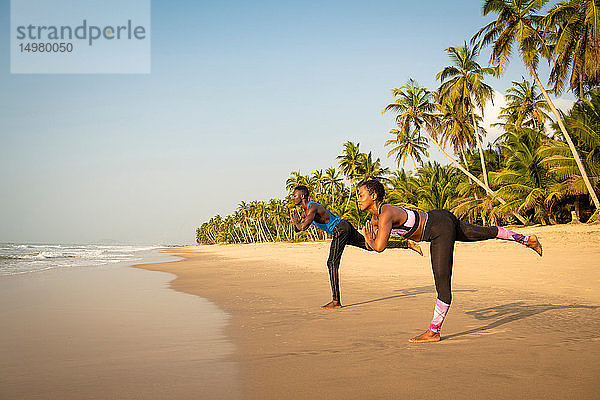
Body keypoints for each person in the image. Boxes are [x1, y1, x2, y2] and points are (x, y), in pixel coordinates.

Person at [357, 179, 543, 343]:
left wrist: (370, 239)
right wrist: (370, 238)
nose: (358, 198)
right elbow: (380, 238)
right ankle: (527, 240)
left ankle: (434, 332)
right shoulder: (378, 217)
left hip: (438, 229)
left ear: (373, 195)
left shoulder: (386, 213)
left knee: (442, 285)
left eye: (361, 195)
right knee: (484, 232)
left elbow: (379, 247)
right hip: (440, 217)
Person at [289, 185, 423, 309]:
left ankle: (336, 301)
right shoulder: (304, 212)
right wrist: (296, 222)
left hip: (340, 229)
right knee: (370, 245)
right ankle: (407, 244)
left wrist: (296, 222)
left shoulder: (313, 207)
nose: (292, 197)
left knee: (332, 262)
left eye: (294, 195)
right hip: (344, 227)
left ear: (302, 196)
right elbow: (297, 230)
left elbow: (302, 226)